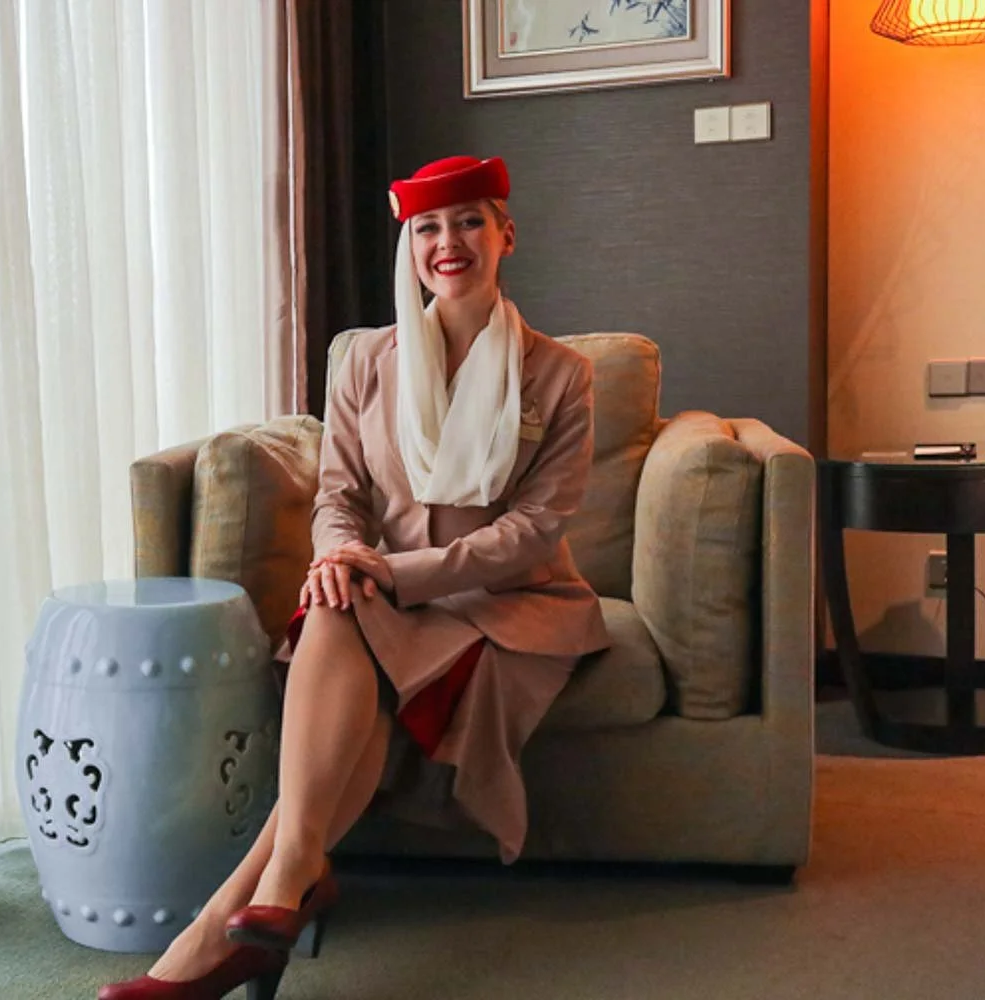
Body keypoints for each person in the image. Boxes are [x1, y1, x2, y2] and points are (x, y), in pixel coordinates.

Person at [98, 154, 610, 1000]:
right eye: (428, 229)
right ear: (410, 248)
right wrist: (340, 556)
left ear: (506, 234)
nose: (450, 243)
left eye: (470, 222)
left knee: (350, 614)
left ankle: (239, 915)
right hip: (382, 593)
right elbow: (338, 495)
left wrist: (394, 572)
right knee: (334, 605)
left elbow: (534, 532)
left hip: (506, 604)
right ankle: (280, 890)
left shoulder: (560, 374)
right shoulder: (365, 361)